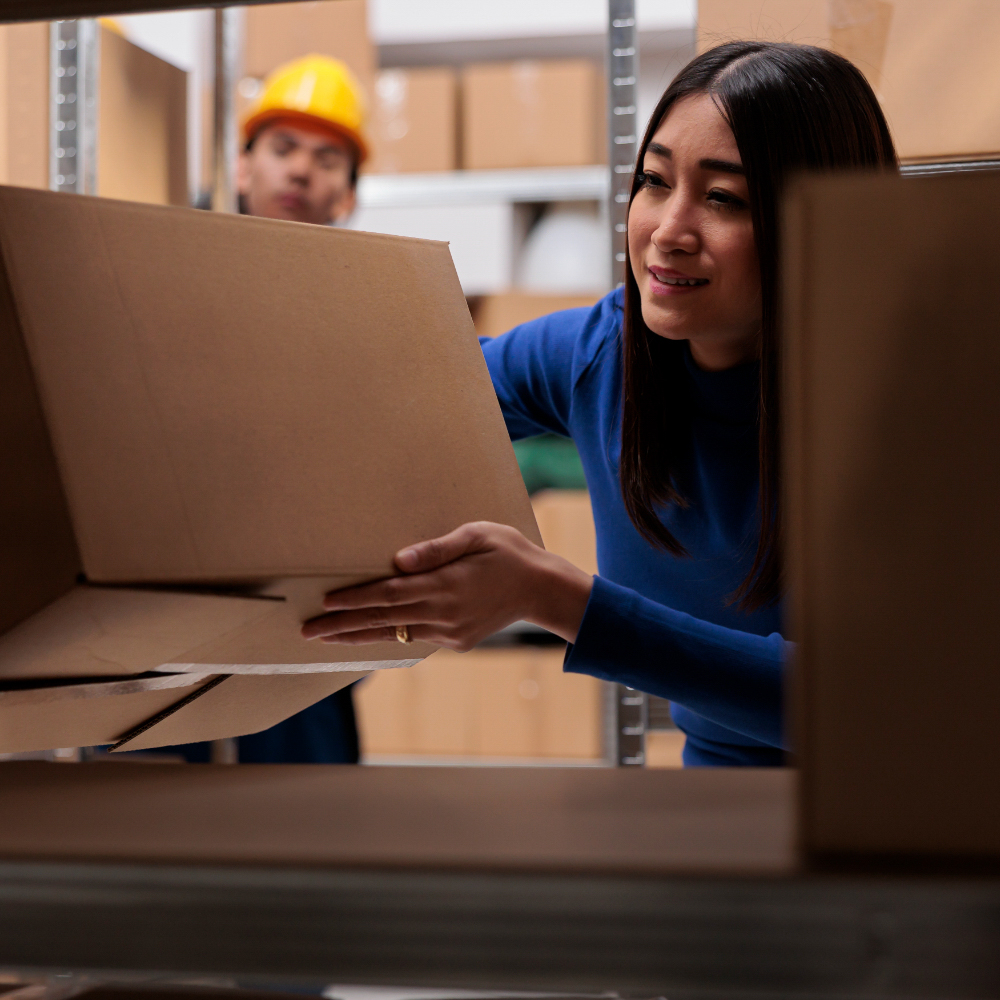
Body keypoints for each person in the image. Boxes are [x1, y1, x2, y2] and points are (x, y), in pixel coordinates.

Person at [300, 42, 899, 767]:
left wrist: (559, 600)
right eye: (653, 182)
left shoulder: (915, 408)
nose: (668, 232)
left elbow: (875, 706)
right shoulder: (601, 357)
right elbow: (376, 413)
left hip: (899, 817)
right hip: (718, 802)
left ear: (820, 222)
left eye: (722, 198)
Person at [174, 55, 370, 765]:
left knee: (310, 822)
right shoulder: (170, 284)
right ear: (241, 166)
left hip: (311, 623)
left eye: (326, 158)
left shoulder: (369, 316)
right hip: (179, 617)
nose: (300, 171)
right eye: (282, 148)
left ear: (347, 193)